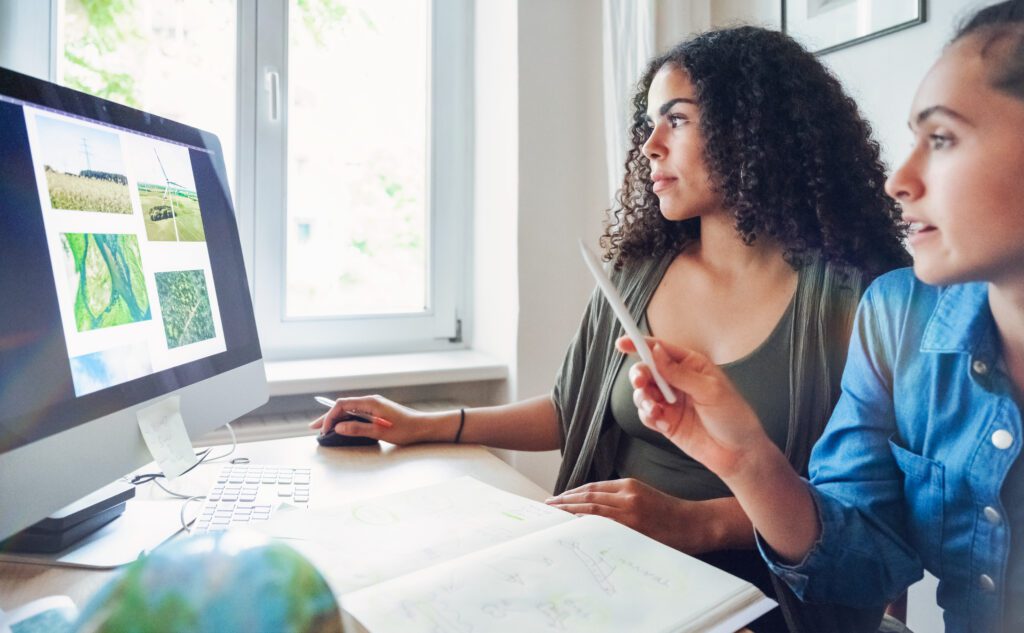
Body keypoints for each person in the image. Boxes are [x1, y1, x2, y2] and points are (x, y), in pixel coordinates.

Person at [313, 26, 909, 632]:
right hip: (612, 578)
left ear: (754, 129)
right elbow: (573, 409)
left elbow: (872, 515)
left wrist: (694, 521)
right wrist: (425, 424)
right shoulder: (638, 274)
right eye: (647, 123)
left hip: (769, 601)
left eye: (676, 120)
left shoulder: (865, 299)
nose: (649, 145)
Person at [624, 2, 1024, 631]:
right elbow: (857, 569)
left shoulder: (845, 291)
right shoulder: (897, 314)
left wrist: (697, 520)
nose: (901, 179)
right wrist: (744, 458)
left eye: (942, 138)